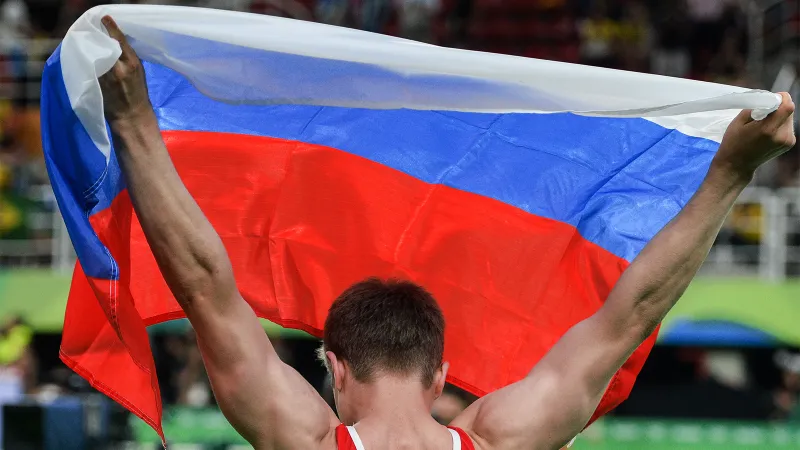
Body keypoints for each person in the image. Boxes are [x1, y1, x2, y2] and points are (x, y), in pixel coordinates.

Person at [97, 14, 796, 450]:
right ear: (439, 375)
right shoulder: (501, 440)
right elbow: (630, 314)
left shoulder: (305, 441)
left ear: (336, 370)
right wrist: (729, 173)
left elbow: (205, 285)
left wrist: (132, 122)